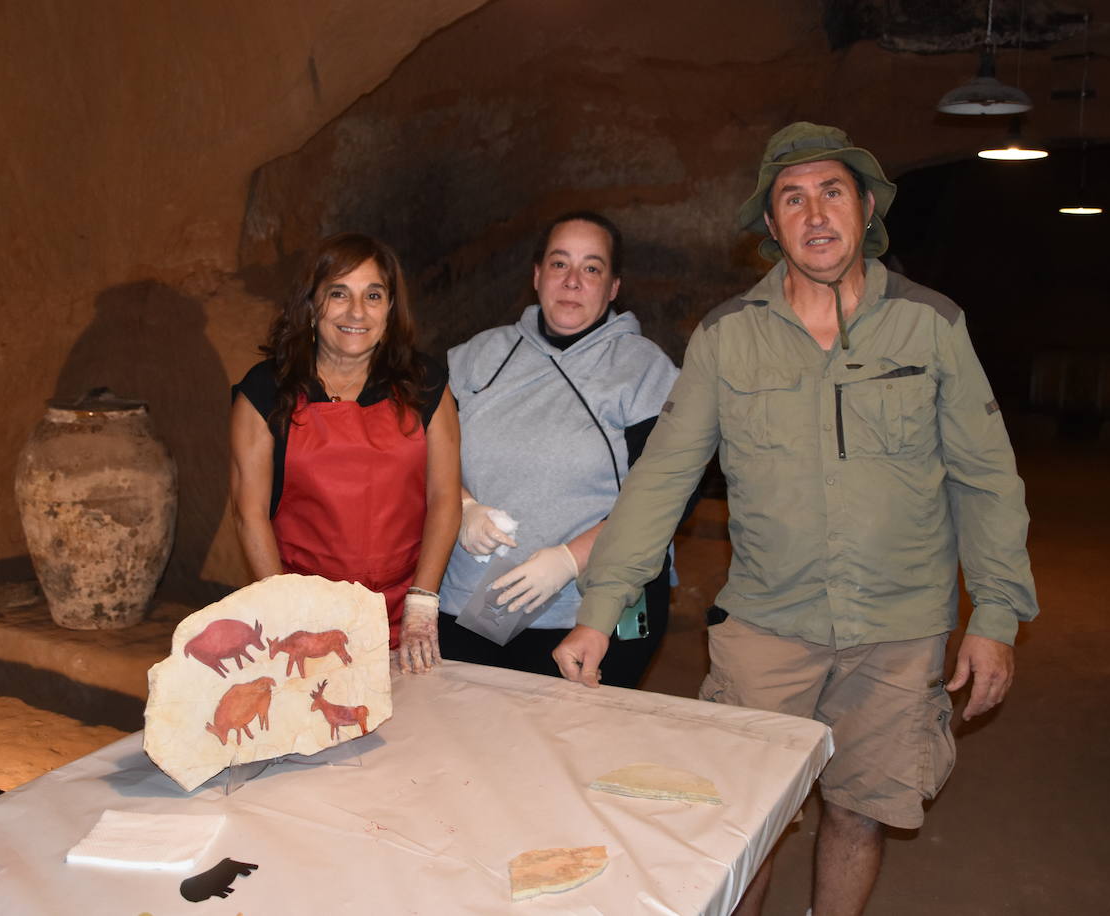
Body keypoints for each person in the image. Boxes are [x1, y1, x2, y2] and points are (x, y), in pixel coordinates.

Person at [553, 123, 1040, 915]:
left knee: (858, 810)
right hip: (766, 626)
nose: (815, 214)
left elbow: (987, 479)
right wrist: (599, 613)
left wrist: (996, 613)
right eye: (792, 199)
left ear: (867, 206)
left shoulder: (932, 325)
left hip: (899, 626)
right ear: (770, 229)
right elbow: (662, 481)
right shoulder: (725, 338)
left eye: (832, 192)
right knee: (747, 819)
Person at [436, 212, 680, 687]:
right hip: (470, 607)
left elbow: (664, 496)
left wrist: (570, 558)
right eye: (559, 264)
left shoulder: (645, 372)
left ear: (613, 288)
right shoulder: (476, 358)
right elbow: (419, 449)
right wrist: (461, 502)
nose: (572, 282)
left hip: (586, 615)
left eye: (591, 268)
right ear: (536, 276)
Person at [229, 233, 461, 674]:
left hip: (404, 607)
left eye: (373, 295)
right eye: (339, 294)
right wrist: (288, 612)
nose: (357, 312)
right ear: (312, 304)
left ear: (390, 310)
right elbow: (249, 512)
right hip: (306, 610)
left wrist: (422, 604)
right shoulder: (265, 391)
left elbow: (445, 497)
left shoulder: (427, 383)